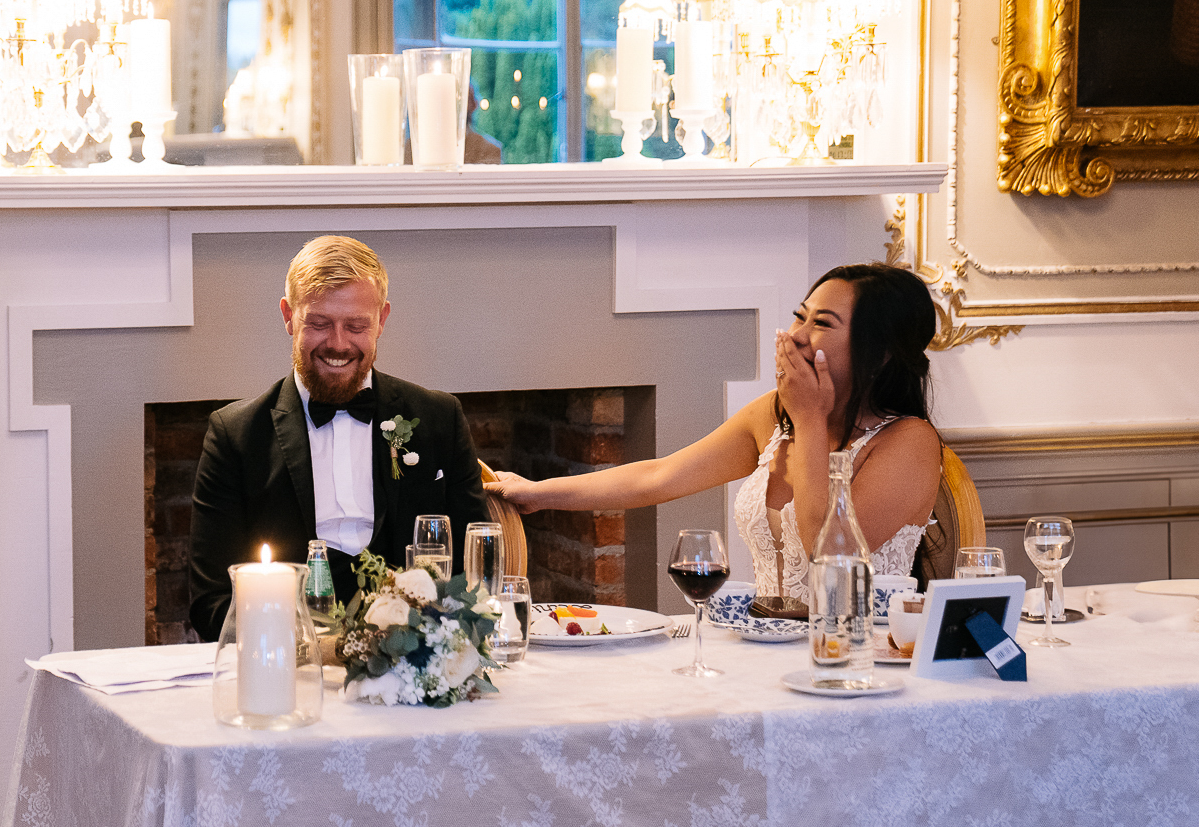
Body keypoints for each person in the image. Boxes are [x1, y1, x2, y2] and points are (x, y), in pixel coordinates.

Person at [493, 264, 942, 601]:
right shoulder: (774, 415)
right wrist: (539, 492)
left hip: (859, 654)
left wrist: (809, 418)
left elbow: (823, 551)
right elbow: (661, 476)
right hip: (761, 641)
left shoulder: (909, 442)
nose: (796, 336)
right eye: (799, 317)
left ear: (881, 353)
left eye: (822, 324)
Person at [188, 235, 487, 639]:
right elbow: (212, 602)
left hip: (411, 662)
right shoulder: (235, 435)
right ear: (288, 316)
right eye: (319, 323)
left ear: (381, 320)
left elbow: (475, 576)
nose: (338, 344)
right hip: (292, 667)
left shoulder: (438, 418)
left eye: (356, 325)